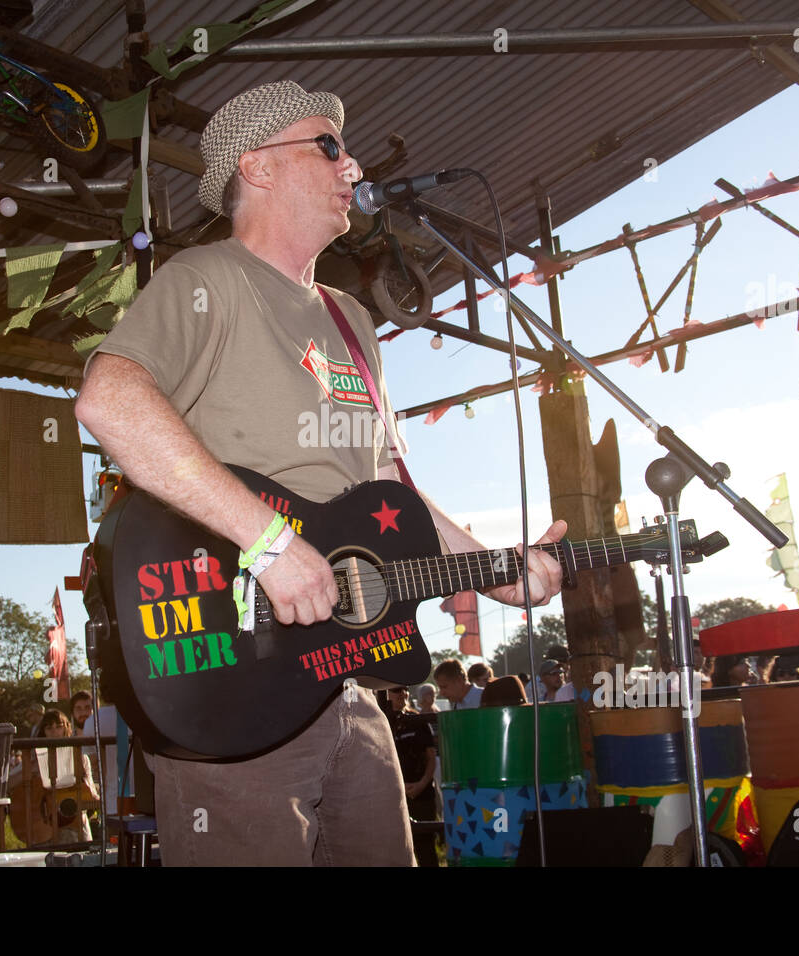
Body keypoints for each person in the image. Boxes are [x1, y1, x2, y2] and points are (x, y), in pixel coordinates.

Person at [74, 80, 565, 866]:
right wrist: (267, 541)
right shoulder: (206, 281)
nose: (354, 165)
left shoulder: (352, 318)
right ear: (260, 167)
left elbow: (390, 488)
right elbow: (109, 400)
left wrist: (498, 570)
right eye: (329, 146)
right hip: (233, 679)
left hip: (349, 685)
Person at [383, 686, 440, 867]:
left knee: (426, 849)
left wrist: (422, 784)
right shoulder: (377, 722)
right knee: (395, 849)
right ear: (383, 694)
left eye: (406, 689)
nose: (403, 693)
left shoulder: (418, 719)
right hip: (391, 796)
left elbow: (431, 758)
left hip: (421, 793)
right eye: (396, 690)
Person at [35, 710, 100, 846]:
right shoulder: (36, 759)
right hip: (45, 825)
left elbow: (92, 795)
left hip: (76, 821)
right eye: (49, 728)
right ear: (43, 732)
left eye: (59, 726)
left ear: (66, 729)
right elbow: (13, 780)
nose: (54, 732)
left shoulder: (81, 758)